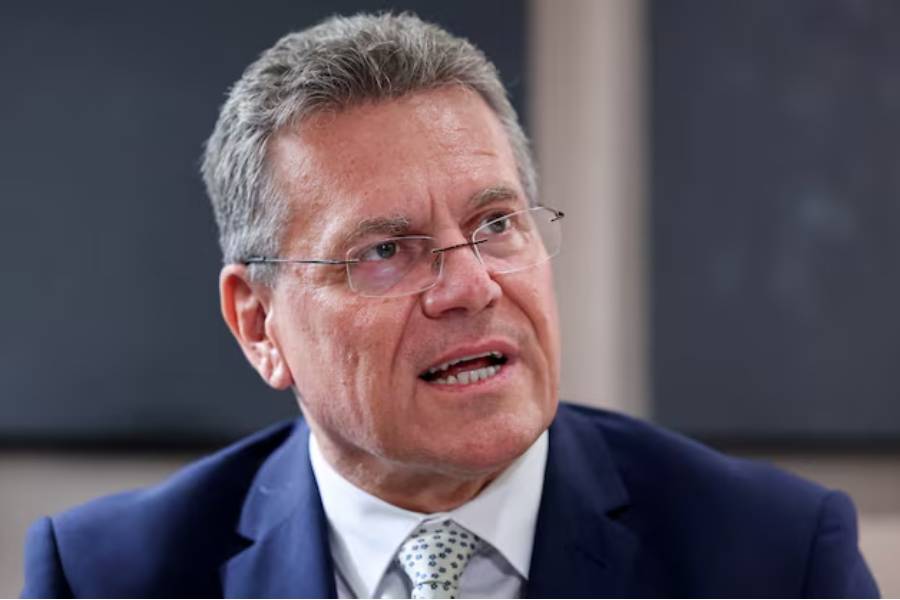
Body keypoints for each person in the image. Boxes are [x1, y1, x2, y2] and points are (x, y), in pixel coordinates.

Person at [22, 12, 878, 599]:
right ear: (259, 323)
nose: (473, 286)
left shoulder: (773, 556)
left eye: (496, 223)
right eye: (386, 251)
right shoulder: (108, 576)